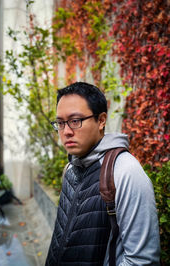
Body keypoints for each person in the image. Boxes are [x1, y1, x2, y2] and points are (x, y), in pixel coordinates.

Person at [45, 82, 160, 266]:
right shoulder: (70, 169)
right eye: (60, 123)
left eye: (75, 121)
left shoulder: (125, 171)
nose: (66, 131)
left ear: (101, 120)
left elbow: (142, 260)